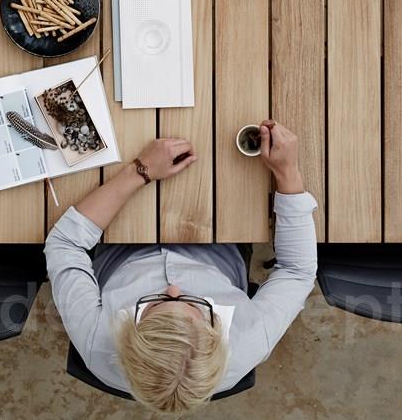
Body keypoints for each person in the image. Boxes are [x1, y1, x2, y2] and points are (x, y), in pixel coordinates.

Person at [45, 120, 318, 414]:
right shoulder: (249, 340)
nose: (173, 288)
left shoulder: (96, 341)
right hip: (221, 242)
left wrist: (140, 171)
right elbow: (297, 272)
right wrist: (287, 172)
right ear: (217, 335)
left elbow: (65, 244)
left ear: (126, 338)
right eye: (193, 304)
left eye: (152, 304)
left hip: (117, 241)